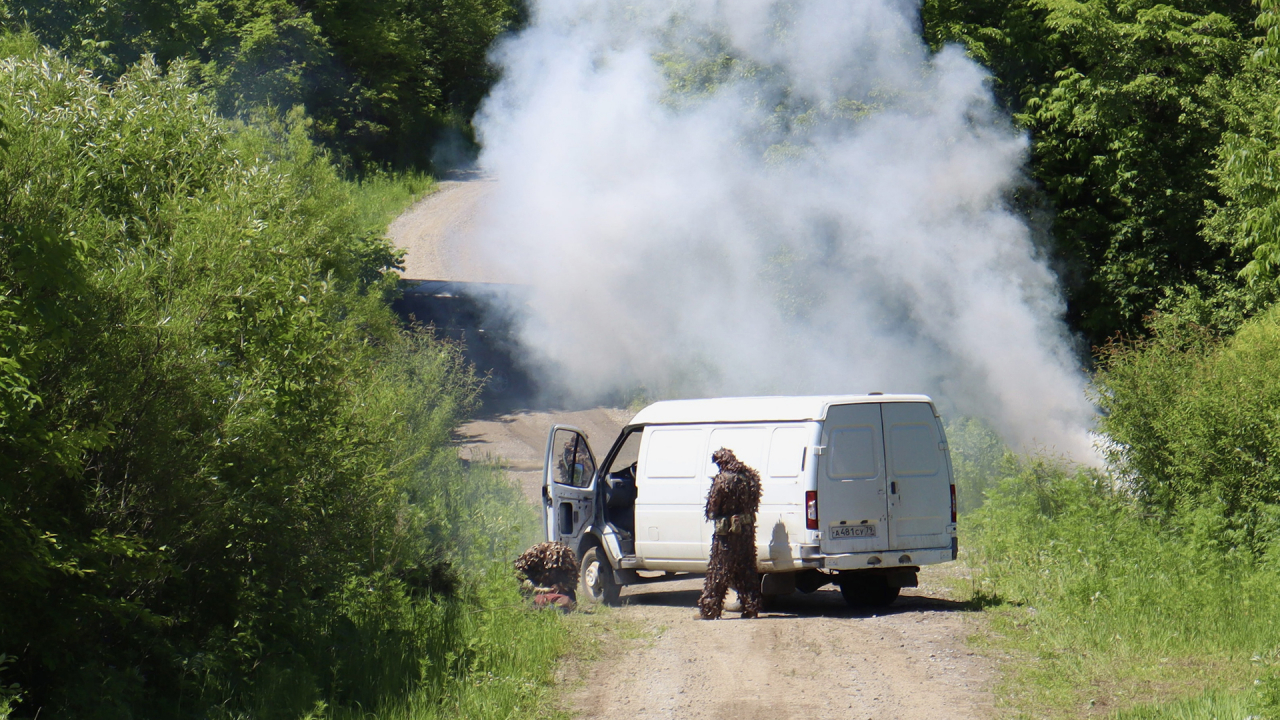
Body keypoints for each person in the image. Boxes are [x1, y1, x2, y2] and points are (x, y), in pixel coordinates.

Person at [698, 448, 763, 619]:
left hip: (727, 535)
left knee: (718, 572)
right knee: (747, 570)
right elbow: (755, 504)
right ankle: (751, 608)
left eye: (719, 463)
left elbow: (712, 510)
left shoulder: (722, 480)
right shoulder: (751, 477)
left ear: (723, 462)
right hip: (747, 532)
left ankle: (709, 611)